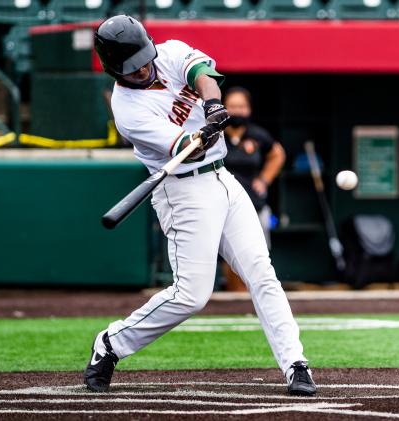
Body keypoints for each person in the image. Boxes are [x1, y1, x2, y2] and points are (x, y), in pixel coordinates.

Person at [84, 15, 316, 396]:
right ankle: (110, 343)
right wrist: (199, 136)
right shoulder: (127, 110)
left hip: (225, 179)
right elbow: (183, 150)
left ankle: (295, 364)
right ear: (114, 69)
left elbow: (203, 74)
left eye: (144, 59)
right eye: (132, 67)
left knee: (261, 272)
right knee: (191, 295)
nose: (143, 69)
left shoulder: (170, 52)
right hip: (182, 191)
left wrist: (212, 106)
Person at [221, 87, 286, 291]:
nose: (237, 111)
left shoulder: (257, 135)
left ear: (248, 109)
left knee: (255, 253)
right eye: (232, 106)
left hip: (253, 203)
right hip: (222, 203)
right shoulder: (215, 134)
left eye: (241, 107)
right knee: (229, 253)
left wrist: (264, 180)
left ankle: (253, 295)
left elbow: (278, 154)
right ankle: (235, 296)